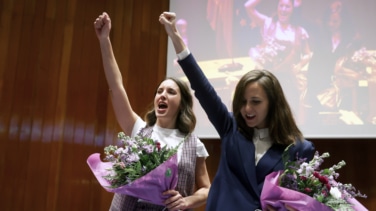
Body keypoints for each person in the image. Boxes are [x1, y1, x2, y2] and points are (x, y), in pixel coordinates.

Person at [159, 11, 315, 210]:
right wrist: (175, 36)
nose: (247, 109)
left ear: (274, 103)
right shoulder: (230, 127)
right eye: (243, 101)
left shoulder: (300, 149)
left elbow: (298, 201)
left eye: (256, 102)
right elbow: (202, 87)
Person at [94, 12, 211, 211]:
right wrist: (104, 40)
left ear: (182, 104)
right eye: (159, 91)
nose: (162, 95)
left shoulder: (194, 144)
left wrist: (187, 201)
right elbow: (116, 86)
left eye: (171, 92)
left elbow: (207, 189)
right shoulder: (138, 129)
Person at [244, 0, 313, 118]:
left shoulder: (298, 31)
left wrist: (299, 65)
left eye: (287, 6)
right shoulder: (268, 23)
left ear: (293, 9)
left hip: (287, 81)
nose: (283, 9)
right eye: (281, 5)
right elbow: (247, 6)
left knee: (286, 116)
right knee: (266, 116)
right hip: (266, 80)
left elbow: (309, 53)